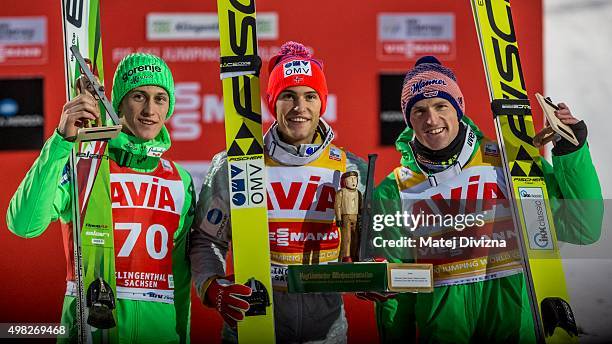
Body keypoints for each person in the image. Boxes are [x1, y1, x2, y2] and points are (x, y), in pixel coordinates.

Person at [371, 56, 603, 343]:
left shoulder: (507, 165)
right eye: (418, 111)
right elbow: (396, 294)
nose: (431, 119)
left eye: (441, 106)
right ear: (408, 119)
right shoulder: (395, 190)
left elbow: (582, 227)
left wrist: (571, 150)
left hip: (514, 330)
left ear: (458, 108)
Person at [6, 53, 194, 343]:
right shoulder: (87, 163)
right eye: (139, 96)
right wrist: (61, 142)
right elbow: (24, 224)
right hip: (87, 334)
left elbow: (180, 278)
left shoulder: (179, 179)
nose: (150, 110)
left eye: (160, 98)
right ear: (118, 103)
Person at [190, 41, 366, 343]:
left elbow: (370, 243)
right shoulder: (240, 163)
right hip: (252, 329)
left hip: (327, 334)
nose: (300, 108)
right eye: (288, 96)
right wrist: (214, 287)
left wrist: (371, 274)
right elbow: (206, 239)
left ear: (322, 102)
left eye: (310, 96)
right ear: (273, 102)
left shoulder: (351, 169)